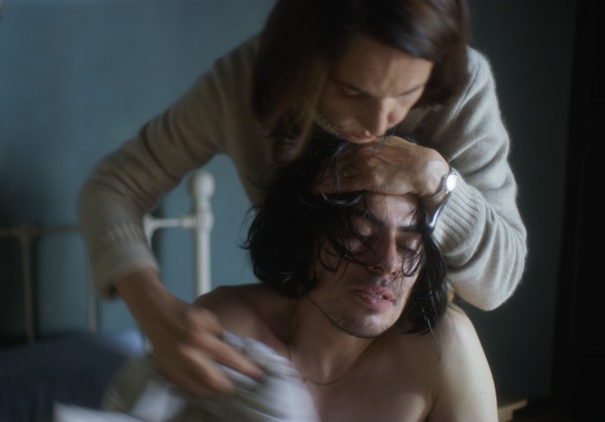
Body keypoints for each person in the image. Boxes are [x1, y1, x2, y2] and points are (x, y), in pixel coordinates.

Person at [78, 0, 527, 396]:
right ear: (302, 58)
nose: (378, 122)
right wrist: (152, 309)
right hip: (299, 342)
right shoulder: (245, 83)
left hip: (406, 351)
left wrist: (438, 180)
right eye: (352, 91)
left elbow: (498, 282)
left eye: (406, 94)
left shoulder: (461, 88)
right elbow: (113, 186)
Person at [56, 132, 497, 421]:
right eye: (359, 234)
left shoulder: (443, 351)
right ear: (304, 238)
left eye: (410, 245)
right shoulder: (227, 332)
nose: (387, 263)